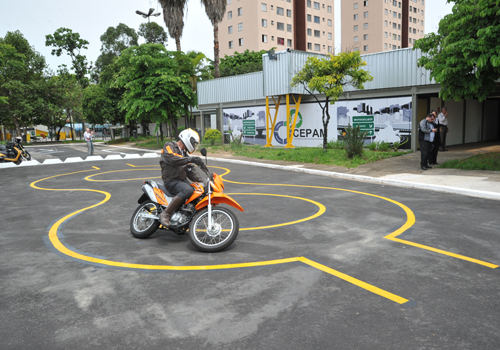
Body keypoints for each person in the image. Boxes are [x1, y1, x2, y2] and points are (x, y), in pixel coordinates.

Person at [159, 128, 205, 227]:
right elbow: (173, 159)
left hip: (182, 181)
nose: (193, 146)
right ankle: (166, 213)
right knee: (188, 190)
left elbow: (191, 171)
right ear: (188, 139)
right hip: (171, 181)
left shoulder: (184, 155)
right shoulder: (169, 146)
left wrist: (204, 182)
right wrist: (191, 159)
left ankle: (186, 217)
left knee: (199, 191)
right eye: (193, 143)